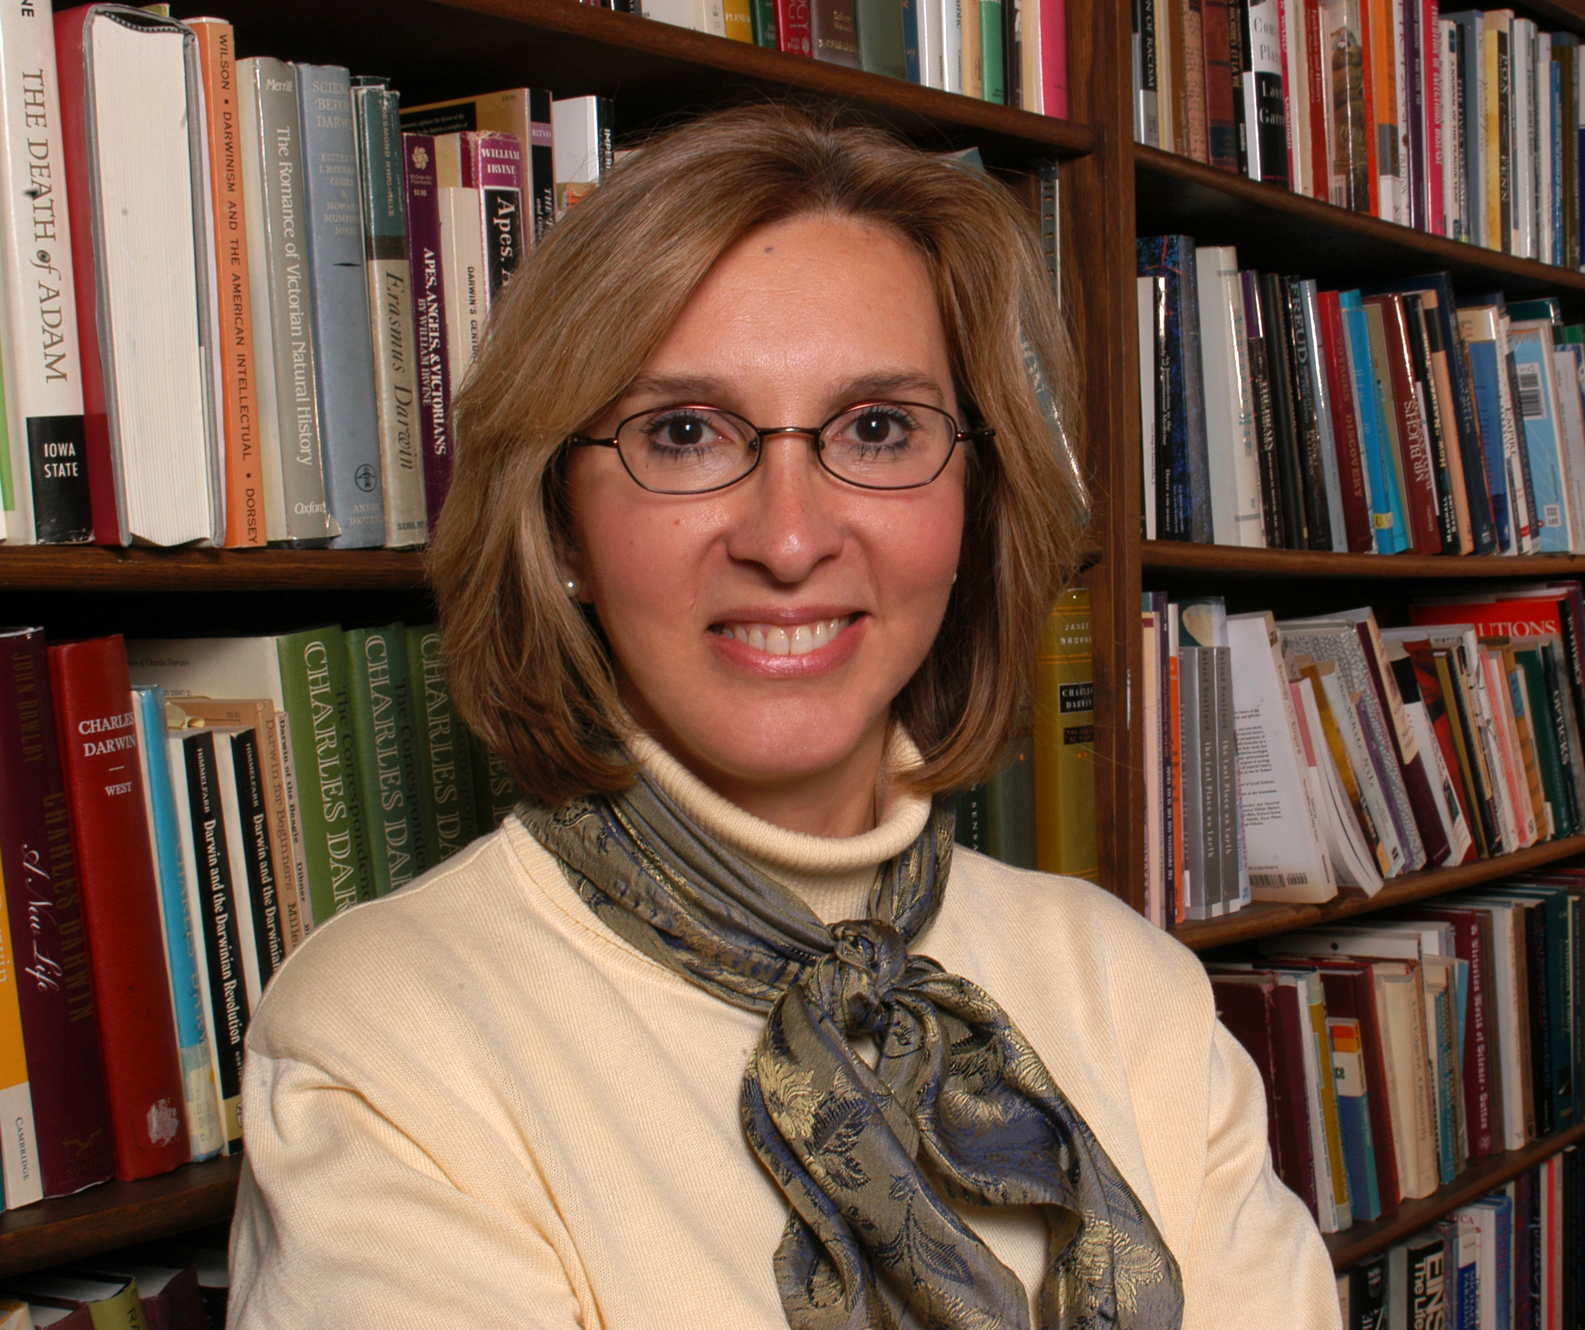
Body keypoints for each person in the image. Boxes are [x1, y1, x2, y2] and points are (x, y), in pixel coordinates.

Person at [228, 104, 1341, 1329]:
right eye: (683, 432)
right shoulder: (386, 1039)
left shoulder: (1130, 988)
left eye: (877, 428)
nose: (790, 536)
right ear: (560, 530)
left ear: (974, 497)